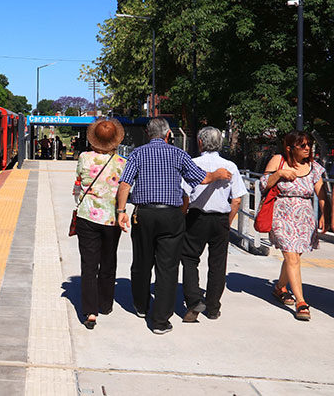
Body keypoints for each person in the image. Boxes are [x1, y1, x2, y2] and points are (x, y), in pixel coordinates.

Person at [116, 118, 232, 335]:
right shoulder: (178, 154)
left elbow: (125, 184)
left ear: (148, 134)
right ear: (168, 134)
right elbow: (201, 178)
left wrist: (121, 211)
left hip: (144, 212)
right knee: (167, 267)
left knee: (142, 261)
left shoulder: (137, 154)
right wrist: (217, 174)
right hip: (171, 215)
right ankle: (160, 321)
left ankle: (141, 306)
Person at [179, 127, 247, 322]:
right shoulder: (230, 166)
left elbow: (185, 195)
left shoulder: (191, 164)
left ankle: (194, 300)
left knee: (190, 258)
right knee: (218, 263)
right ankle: (213, 306)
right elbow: (237, 200)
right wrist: (229, 220)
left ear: (200, 142)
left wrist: (183, 216)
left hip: (196, 216)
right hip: (221, 219)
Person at [261, 131, 326, 321]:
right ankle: (301, 301)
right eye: (303, 145)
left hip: (305, 218)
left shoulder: (314, 167)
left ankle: (280, 287)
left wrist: (325, 214)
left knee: (294, 257)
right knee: (291, 256)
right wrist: (280, 173)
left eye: (309, 145)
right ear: (290, 147)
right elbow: (263, 184)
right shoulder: (278, 160)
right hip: (282, 215)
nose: (308, 148)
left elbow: (321, 194)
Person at [74, 118, 127, 329]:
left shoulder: (84, 158)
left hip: (87, 216)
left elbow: (78, 182)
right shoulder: (122, 163)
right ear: (115, 141)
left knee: (89, 264)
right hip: (112, 219)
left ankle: (90, 312)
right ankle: (106, 303)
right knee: (108, 260)